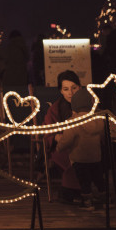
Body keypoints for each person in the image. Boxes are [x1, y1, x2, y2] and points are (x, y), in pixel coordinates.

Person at [54, 89, 104, 209]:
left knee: (84, 182)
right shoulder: (99, 120)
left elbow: (67, 140)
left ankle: (87, 202)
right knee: (99, 179)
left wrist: (58, 146)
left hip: (79, 159)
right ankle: (107, 199)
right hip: (96, 157)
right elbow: (102, 137)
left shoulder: (74, 121)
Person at [43, 69, 83, 204]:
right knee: (70, 157)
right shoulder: (56, 108)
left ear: (80, 87)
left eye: (74, 88)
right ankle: (76, 191)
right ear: (61, 90)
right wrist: (55, 137)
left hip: (86, 143)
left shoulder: (89, 105)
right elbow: (48, 129)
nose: (70, 93)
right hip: (63, 145)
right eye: (66, 89)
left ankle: (85, 190)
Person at [0, 30, 30, 95]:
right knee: (21, 96)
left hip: (9, 77)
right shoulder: (23, 46)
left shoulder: (8, 47)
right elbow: (27, 58)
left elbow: (4, 60)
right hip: (22, 76)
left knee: (9, 98)